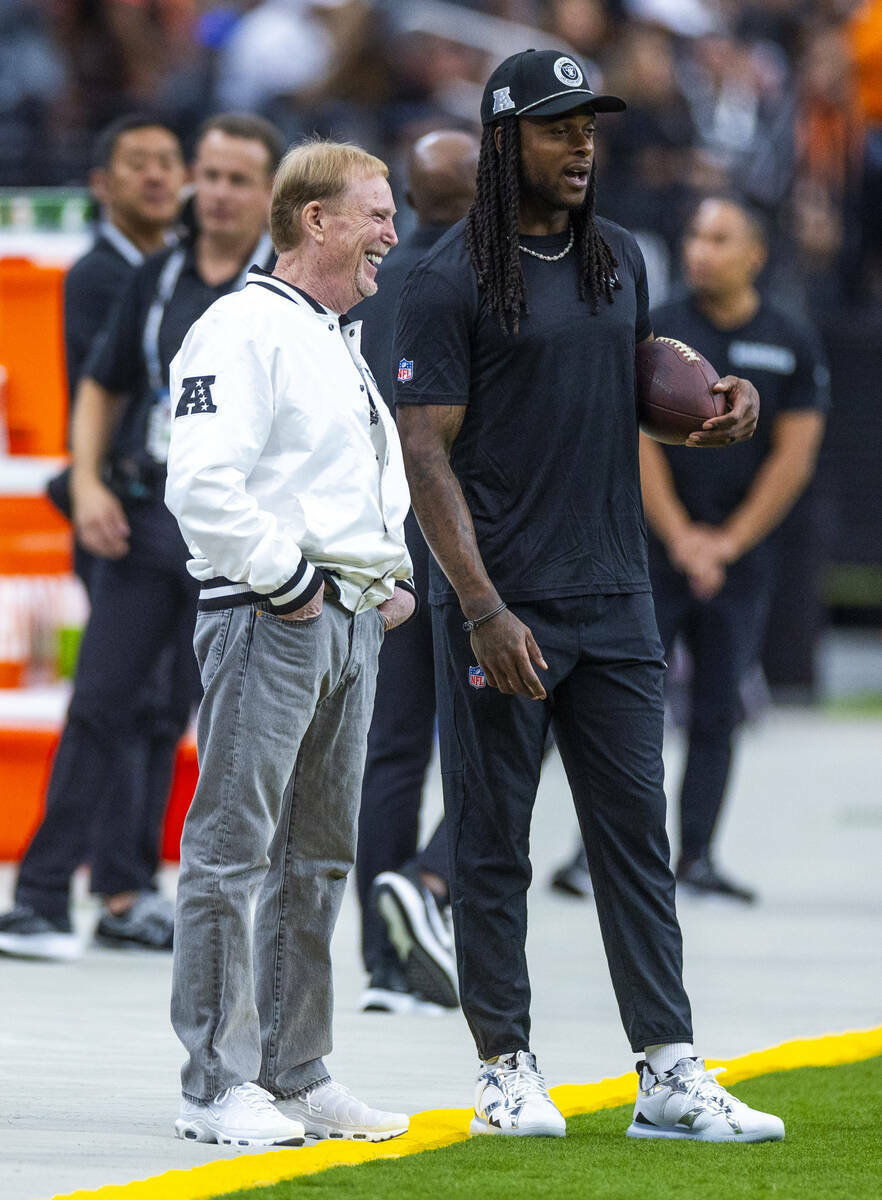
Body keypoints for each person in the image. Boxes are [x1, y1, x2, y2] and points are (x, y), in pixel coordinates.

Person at [394, 48, 784, 1143]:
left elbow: (622, 384)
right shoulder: (443, 280)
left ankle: (667, 1071)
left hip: (615, 593)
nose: (583, 146)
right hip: (502, 605)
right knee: (491, 843)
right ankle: (505, 1067)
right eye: (561, 127)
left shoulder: (618, 257)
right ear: (505, 137)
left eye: (592, 127)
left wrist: (710, 403)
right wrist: (479, 607)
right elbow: (427, 461)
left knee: (634, 842)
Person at [165, 139, 416, 1148]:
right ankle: (216, 1083)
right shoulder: (241, 327)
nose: (392, 234)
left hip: (342, 619)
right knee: (232, 851)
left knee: (318, 856)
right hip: (270, 615)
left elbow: (335, 481)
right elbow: (202, 485)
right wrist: (295, 578)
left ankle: (296, 1069)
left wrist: (380, 578)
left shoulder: (329, 333)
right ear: (315, 219)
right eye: (376, 213)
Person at [0, 113, 280, 963]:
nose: (217, 192)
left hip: (235, 540)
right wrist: (86, 481)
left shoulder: (281, 290)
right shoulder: (151, 275)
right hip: (143, 525)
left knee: (200, 721)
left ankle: (157, 901)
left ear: (272, 193)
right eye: (213, 175)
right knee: (101, 705)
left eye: (240, 179)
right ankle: (46, 897)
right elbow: (102, 384)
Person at [641, 196, 829, 901]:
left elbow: (795, 456)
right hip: (657, 549)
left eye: (719, 238)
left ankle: (697, 857)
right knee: (628, 709)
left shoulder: (790, 338)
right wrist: (682, 536)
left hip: (740, 557)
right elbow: (637, 442)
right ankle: (615, 851)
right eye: (694, 234)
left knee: (718, 709)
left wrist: (726, 542)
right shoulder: (660, 329)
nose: (700, 249)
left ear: (755, 253)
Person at [355, 128, 480, 1017]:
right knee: (509, 730)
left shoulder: (374, 282)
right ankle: (433, 886)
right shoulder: (486, 280)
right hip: (468, 537)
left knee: (390, 749)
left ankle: (382, 957)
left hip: (380, 539)